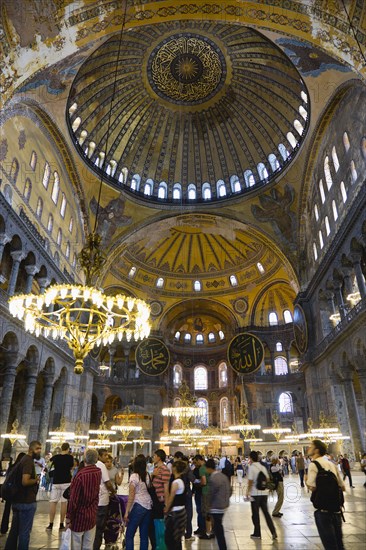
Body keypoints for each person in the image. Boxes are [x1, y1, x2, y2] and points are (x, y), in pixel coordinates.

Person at [306, 439, 345, 550]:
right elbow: (342, 486)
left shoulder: (314, 464)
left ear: (316, 450)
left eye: (311, 446)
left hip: (323, 511)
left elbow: (312, 487)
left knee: (330, 546)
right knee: (339, 545)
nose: (309, 448)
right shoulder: (331, 464)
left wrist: (306, 481)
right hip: (337, 510)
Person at [4, 441, 42, 550]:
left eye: (40, 448)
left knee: (14, 532)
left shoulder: (23, 460)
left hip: (18, 501)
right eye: (37, 448)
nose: (39, 450)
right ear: (31, 449)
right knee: (24, 534)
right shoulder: (28, 461)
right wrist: (36, 480)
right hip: (26, 502)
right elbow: (25, 481)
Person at [65, 448, 102, 549]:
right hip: (92, 515)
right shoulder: (98, 471)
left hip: (79, 517)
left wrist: (68, 517)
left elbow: (74, 499)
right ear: (96, 459)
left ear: (84, 459)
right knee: (88, 546)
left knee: (75, 545)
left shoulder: (80, 475)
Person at [245, 450, 277, 541]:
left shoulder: (252, 467)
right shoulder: (262, 467)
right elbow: (267, 479)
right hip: (264, 494)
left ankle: (257, 533)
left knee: (255, 514)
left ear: (250, 458)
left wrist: (248, 492)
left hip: (255, 494)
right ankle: (273, 531)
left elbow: (250, 481)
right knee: (266, 513)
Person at [124, 455, 152, 550]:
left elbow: (131, 495)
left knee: (129, 534)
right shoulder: (147, 475)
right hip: (148, 506)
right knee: (144, 535)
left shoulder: (134, 476)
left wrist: (127, 511)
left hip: (138, 505)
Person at [46, 442, 74, 531]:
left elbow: (48, 466)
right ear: (68, 448)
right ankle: (61, 524)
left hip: (56, 481)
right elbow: (71, 468)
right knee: (64, 503)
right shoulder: (70, 458)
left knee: (53, 502)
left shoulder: (56, 457)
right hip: (66, 481)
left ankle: (51, 524)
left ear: (61, 448)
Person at [205, 458, 231, 550]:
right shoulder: (223, 476)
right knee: (218, 527)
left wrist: (207, 506)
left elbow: (211, 494)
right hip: (223, 506)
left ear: (208, 468)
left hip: (216, 507)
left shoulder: (213, 478)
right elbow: (229, 490)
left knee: (218, 529)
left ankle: (223, 547)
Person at [93, 448, 116, 550]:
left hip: (93, 500)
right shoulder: (101, 465)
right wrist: (113, 491)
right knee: (99, 528)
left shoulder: (93, 465)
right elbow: (107, 482)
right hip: (102, 501)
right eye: (105, 455)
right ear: (99, 456)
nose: (107, 457)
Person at [149, 449, 171, 549]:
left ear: (158, 457)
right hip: (153, 499)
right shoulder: (155, 468)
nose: (153, 458)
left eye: (154, 456)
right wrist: (152, 474)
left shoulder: (165, 470)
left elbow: (166, 488)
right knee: (153, 524)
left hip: (160, 500)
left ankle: (160, 544)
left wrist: (166, 504)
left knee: (159, 524)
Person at [1, 452, 26, 535]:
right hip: (16, 492)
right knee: (17, 511)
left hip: (8, 491)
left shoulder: (12, 466)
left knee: (6, 510)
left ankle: (4, 528)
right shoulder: (21, 468)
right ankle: (16, 529)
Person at [164, 459, 187, 550]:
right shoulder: (181, 481)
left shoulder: (175, 482)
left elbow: (171, 497)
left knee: (170, 538)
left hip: (175, 513)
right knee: (176, 538)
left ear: (175, 468)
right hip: (181, 511)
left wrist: (166, 508)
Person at [192, 455, 205, 537]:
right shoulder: (197, 469)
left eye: (195, 462)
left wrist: (198, 483)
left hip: (202, 492)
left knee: (201, 511)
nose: (195, 464)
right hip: (198, 492)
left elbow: (203, 482)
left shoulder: (203, 469)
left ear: (199, 460)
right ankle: (200, 527)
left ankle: (203, 528)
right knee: (199, 510)